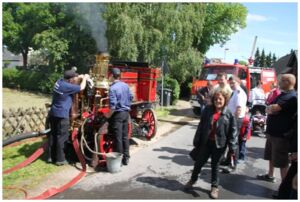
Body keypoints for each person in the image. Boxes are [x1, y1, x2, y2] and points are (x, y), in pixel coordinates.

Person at [185, 90, 237, 199]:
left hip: (220, 145)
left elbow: (233, 132)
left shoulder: (229, 114)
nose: (218, 101)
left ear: (225, 100)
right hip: (206, 142)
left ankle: (214, 187)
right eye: (216, 99)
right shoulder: (208, 110)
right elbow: (201, 125)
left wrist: (232, 147)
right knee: (198, 163)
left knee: (215, 166)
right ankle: (192, 180)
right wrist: (197, 140)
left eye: (220, 99)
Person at [257, 74, 297, 185]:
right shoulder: (283, 94)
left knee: (282, 162)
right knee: (271, 156)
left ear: (287, 82)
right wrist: (271, 109)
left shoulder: (290, 96)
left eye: (281, 81)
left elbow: (274, 108)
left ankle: (285, 187)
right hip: (273, 133)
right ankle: (270, 175)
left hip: (281, 135)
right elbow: (269, 108)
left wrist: (271, 109)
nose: (278, 83)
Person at [48, 69, 89, 166]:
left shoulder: (59, 82)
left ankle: (50, 157)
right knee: (62, 137)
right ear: (70, 79)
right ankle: (60, 159)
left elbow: (72, 81)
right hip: (62, 115)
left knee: (53, 135)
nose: (75, 79)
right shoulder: (67, 87)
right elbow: (81, 87)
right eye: (74, 78)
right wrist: (85, 78)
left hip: (53, 113)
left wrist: (79, 77)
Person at [105, 68, 133, 166]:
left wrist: (107, 115)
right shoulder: (125, 85)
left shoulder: (112, 88)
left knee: (118, 138)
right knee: (125, 137)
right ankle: (126, 158)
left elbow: (112, 107)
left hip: (118, 115)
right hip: (126, 113)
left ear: (112, 76)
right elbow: (131, 97)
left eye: (110, 75)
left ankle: (119, 160)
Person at [227, 76, 248, 167]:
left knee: (234, 141)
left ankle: (233, 163)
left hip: (236, 119)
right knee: (231, 141)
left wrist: (233, 121)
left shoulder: (239, 93)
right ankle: (228, 160)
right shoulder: (235, 92)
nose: (231, 85)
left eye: (233, 83)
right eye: (230, 83)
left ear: (238, 82)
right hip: (233, 119)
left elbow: (238, 109)